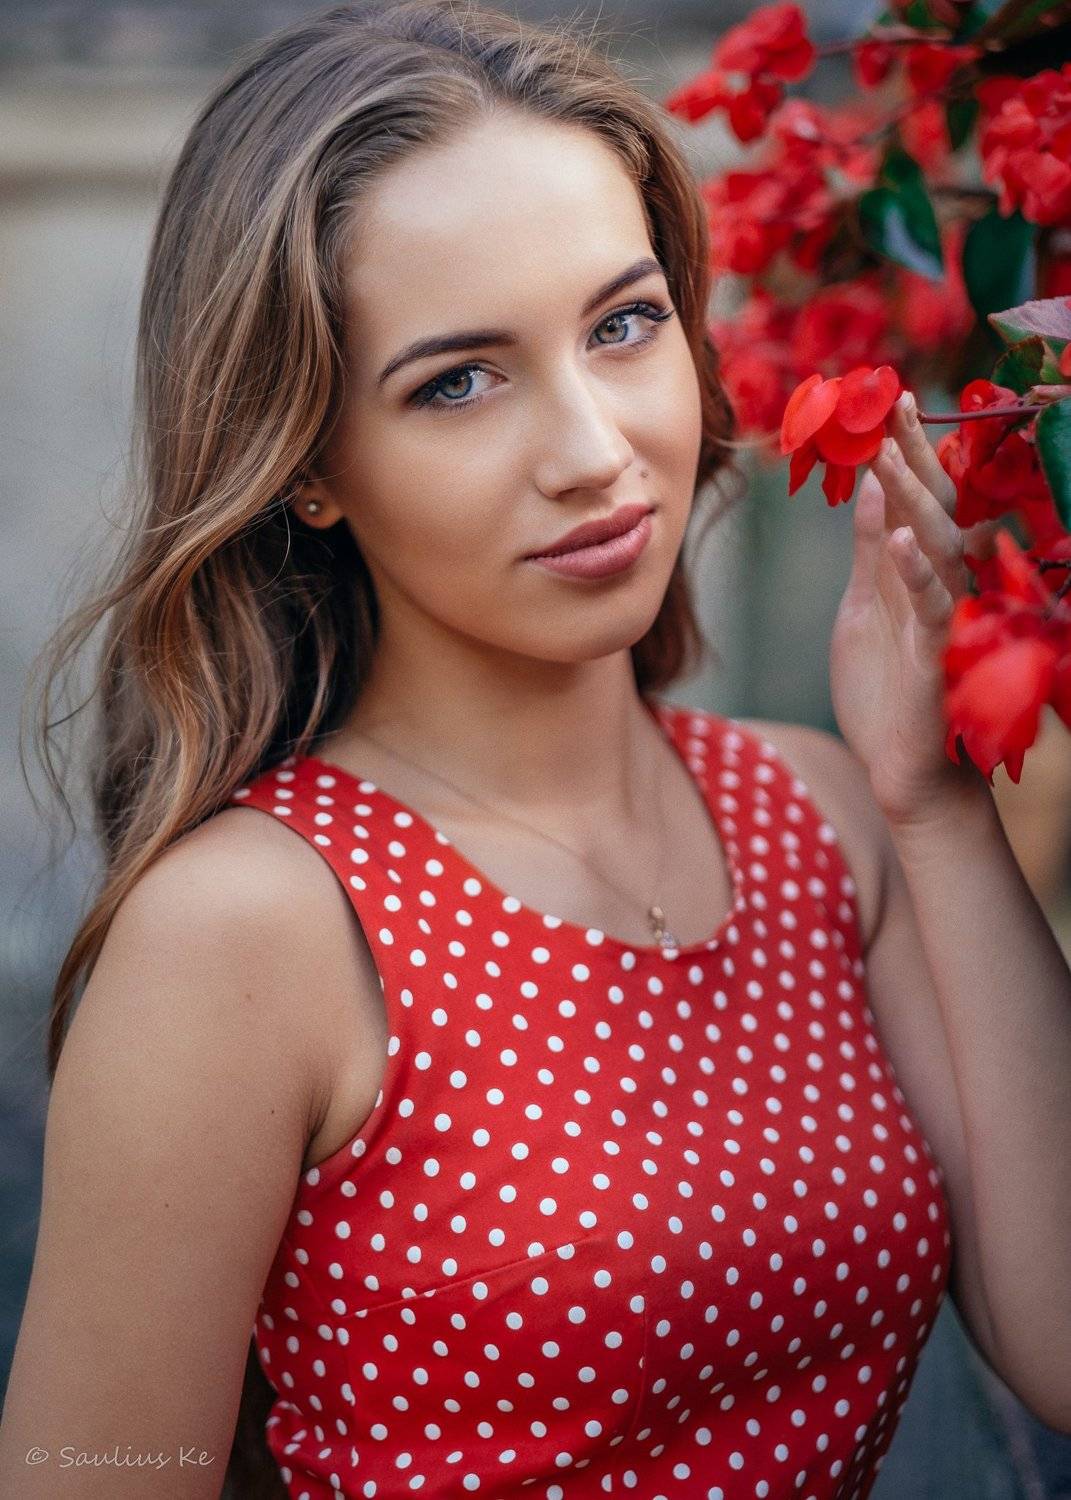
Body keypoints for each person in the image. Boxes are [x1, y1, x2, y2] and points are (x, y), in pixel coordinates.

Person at [2, 1, 1069, 1497]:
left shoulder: (827, 815)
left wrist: (935, 803)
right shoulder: (247, 929)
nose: (594, 449)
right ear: (307, 463)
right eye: (459, 379)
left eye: (622, 324)